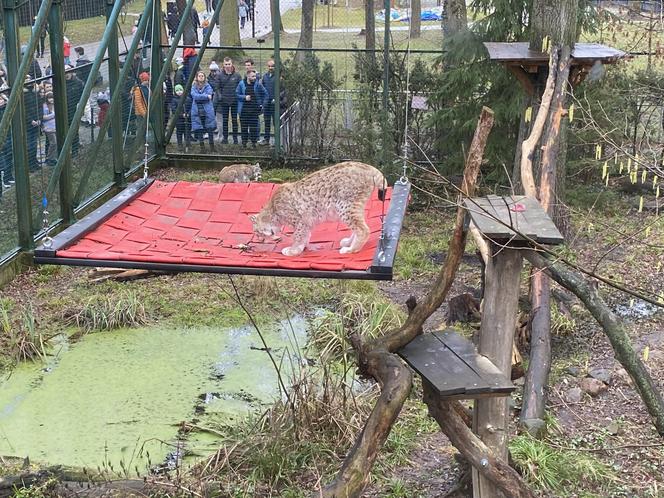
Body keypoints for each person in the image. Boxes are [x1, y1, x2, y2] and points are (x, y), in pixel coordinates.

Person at [236, 69, 266, 148]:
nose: (254, 78)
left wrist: (262, 104)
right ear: (248, 76)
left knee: (253, 128)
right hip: (244, 110)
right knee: (244, 128)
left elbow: (265, 94)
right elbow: (236, 95)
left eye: (255, 76)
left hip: (254, 110)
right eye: (252, 76)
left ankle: (253, 143)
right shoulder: (241, 84)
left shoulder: (258, 84)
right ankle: (244, 144)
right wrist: (244, 97)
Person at [214, 57, 241, 144]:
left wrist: (237, 96)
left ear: (232, 64)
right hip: (224, 101)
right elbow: (217, 88)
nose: (227, 66)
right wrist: (220, 96)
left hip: (234, 101)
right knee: (225, 120)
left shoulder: (237, 75)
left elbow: (239, 87)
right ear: (223, 65)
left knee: (234, 120)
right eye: (226, 64)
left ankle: (235, 138)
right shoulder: (219, 75)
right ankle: (225, 138)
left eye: (229, 64)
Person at [190, 70, 216, 151]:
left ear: (204, 77)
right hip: (197, 111)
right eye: (199, 76)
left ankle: (212, 147)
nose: (201, 77)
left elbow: (210, 94)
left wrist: (201, 96)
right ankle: (202, 148)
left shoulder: (208, 86)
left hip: (207, 111)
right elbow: (194, 96)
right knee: (199, 129)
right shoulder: (193, 86)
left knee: (210, 129)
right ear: (197, 77)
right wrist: (205, 96)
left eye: (202, 76)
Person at [64, 65, 83, 156]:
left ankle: (75, 150)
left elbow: (82, 96)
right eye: (65, 72)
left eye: (68, 72)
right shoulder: (61, 83)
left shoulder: (78, 83)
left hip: (74, 109)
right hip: (63, 110)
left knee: (74, 131)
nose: (67, 74)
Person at [259, 59, 276, 146]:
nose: (270, 68)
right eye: (269, 66)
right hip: (267, 103)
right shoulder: (265, 76)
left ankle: (277, 141)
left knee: (276, 122)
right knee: (267, 122)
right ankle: (266, 139)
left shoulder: (278, 77)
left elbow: (282, 90)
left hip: (275, 103)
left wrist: (277, 98)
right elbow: (262, 89)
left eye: (272, 66)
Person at [172, 84, 191, 152]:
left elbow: (191, 108)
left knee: (187, 132)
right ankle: (180, 145)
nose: (179, 92)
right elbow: (174, 110)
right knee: (179, 132)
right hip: (179, 120)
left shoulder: (188, 99)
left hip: (188, 119)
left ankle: (187, 144)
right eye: (177, 90)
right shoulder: (174, 100)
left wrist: (188, 113)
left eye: (180, 90)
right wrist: (181, 115)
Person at [133, 72, 150, 136]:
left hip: (147, 111)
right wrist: (143, 113)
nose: (147, 82)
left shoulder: (147, 88)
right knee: (141, 129)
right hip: (140, 114)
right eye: (145, 80)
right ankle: (140, 143)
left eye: (148, 80)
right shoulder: (138, 90)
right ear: (142, 80)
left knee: (146, 129)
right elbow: (138, 103)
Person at [41, 92, 56, 166]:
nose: (51, 99)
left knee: (55, 143)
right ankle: (49, 158)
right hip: (48, 128)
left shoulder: (56, 104)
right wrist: (53, 115)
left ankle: (53, 157)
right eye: (50, 98)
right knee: (53, 143)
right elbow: (43, 117)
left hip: (55, 126)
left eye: (52, 98)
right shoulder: (45, 106)